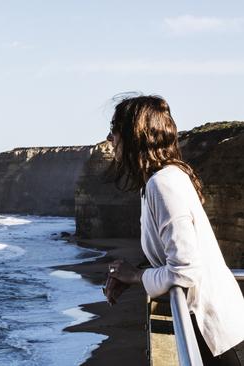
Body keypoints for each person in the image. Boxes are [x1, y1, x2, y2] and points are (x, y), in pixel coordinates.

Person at [103, 94, 244, 365]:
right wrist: (134, 272)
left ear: (134, 135)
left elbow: (184, 270)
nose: (110, 138)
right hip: (212, 330)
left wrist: (136, 276)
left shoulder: (163, 184)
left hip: (219, 334)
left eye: (114, 129)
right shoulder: (155, 182)